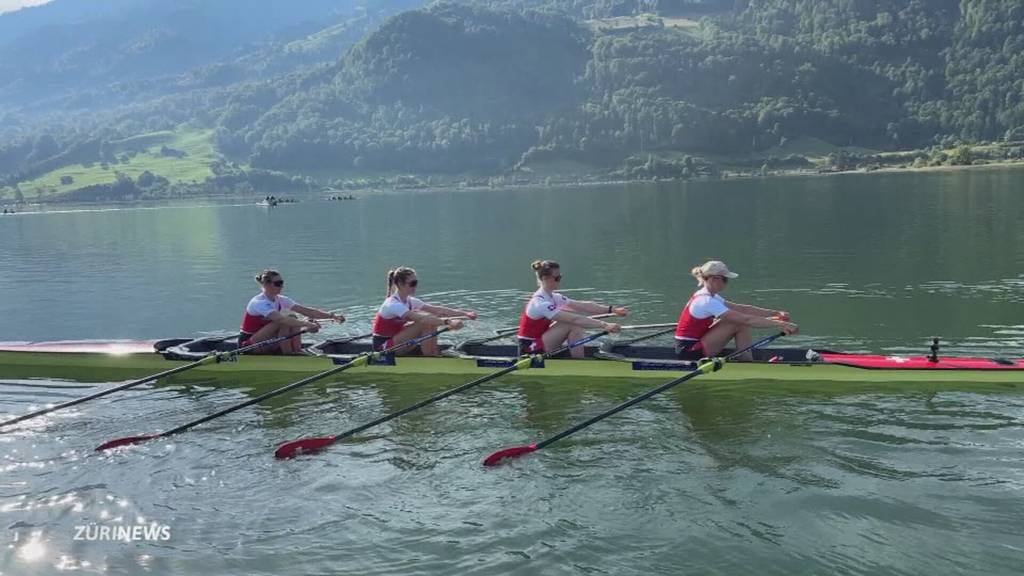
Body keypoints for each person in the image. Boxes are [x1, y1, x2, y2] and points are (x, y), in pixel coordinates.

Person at [674, 260, 798, 361]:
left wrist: (775, 313)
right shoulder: (706, 301)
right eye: (725, 279)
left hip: (697, 344)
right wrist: (782, 324)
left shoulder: (710, 296)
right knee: (739, 322)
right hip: (690, 351)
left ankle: (746, 359)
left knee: (738, 320)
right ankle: (746, 363)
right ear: (713, 279)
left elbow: (742, 308)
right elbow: (746, 319)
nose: (726, 283)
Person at [516, 260, 627, 358]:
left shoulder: (554, 297)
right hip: (529, 348)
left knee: (573, 321)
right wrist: (605, 325)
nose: (560, 280)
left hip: (541, 341)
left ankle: (578, 360)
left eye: (560, 277)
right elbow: (574, 320)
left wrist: (611, 309)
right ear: (545, 278)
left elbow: (583, 306)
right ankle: (579, 364)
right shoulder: (540, 302)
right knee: (572, 323)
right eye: (557, 278)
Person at [372, 267, 476, 356]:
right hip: (384, 348)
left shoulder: (410, 301)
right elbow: (421, 318)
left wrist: (465, 314)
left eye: (416, 282)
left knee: (431, 316)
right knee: (425, 321)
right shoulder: (392, 304)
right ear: (400, 284)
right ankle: (430, 356)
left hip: (398, 342)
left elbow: (438, 310)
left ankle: (433, 353)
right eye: (412, 283)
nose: (415, 286)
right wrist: (449, 322)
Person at [239, 269, 345, 354]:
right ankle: (289, 354)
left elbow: (308, 311)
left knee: (292, 318)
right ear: (266, 285)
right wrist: (307, 324)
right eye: (278, 283)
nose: (281, 286)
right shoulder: (259, 302)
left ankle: (297, 350)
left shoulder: (281, 299)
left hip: (268, 340)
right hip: (249, 345)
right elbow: (281, 319)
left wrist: (332, 316)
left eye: (282, 283)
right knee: (286, 320)